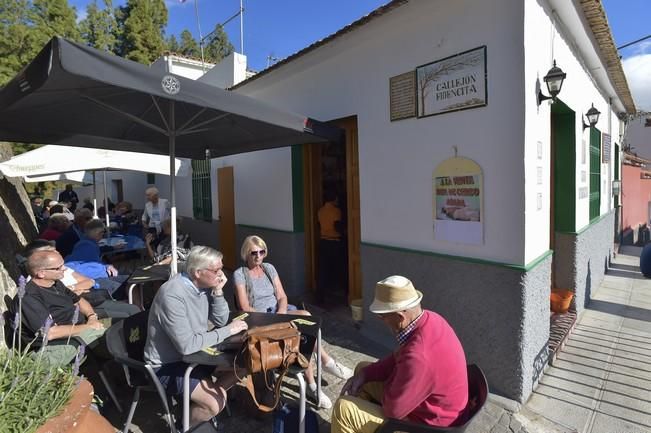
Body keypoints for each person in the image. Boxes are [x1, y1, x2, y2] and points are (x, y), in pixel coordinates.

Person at [331, 276, 468, 433]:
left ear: (400, 317)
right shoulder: (432, 319)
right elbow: (398, 358)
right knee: (363, 370)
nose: (381, 320)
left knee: (344, 410)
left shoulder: (419, 356)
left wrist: (391, 382)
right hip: (434, 408)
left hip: (429, 426)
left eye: (382, 316)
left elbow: (393, 411)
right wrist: (366, 374)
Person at [234, 235, 353, 409]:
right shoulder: (240, 274)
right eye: (254, 253)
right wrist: (275, 318)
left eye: (262, 251)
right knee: (300, 335)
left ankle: (322, 365)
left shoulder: (269, 268)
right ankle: (314, 381)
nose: (258, 256)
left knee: (307, 318)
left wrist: (282, 312)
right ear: (246, 253)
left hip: (280, 311)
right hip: (261, 318)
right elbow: (244, 307)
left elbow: (282, 295)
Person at [144, 246, 248, 429]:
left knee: (247, 361)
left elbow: (221, 319)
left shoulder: (204, 286)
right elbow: (186, 345)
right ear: (197, 272)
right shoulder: (173, 294)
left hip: (195, 355)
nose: (221, 274)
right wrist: (228, 332)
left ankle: (206, 402)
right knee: (215, 403)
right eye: (216, 270)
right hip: (167, 365)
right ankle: (183, 426)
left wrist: (218, 292)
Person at [16, 249, 106, 366]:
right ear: (41, 273)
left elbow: (78, 300)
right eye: (58, 268)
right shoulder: (29, 297)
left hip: (82, 328)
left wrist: (92, 316)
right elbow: (50, 332)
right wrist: (88, 327)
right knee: (115, 339)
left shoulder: (56, 283)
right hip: (58, 344)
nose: (64, 269)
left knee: (123, 325)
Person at [23, 239, 139, 320]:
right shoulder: (33, 291)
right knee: (130, 313)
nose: (63, 268)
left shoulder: (56, 279)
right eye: (51, 252)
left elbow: (89, 282)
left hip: (91, 300)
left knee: (133, 307)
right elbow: (51, 326)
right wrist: (89, 320)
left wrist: (90, 315)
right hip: (81, 312)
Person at [317, 189, 347, 304]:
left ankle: (320, 296)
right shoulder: (336, 211)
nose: (338, 200)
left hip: (323, 242)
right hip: (335, 243)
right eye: (336, 198)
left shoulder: (320, 211)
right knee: (341, 268)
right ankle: (345, 294)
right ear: (334, 199)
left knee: (323, 269)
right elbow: (337, 227)